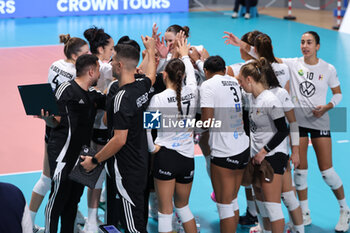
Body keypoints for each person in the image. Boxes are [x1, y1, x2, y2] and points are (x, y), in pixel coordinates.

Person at [80, 36, 156, 233]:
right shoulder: (142, 87)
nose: (110, 63)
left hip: (126, 168)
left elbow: (119, 139)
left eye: (113, 60)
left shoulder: (120, 98)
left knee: (132, 228)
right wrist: (151, 50)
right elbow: (151, 75)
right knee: (138, 220)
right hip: (141, 162)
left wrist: (94, 161)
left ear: (120, 65)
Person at [280, 31, 349, 232]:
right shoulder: (293, 64)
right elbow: (267, 55)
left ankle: (345, 209)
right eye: (302, 42)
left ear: (317, 46)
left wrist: (328, 106)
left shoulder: (328, 68)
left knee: (327, 172)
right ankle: (304, 212)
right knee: (300, 170)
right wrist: (241, 44)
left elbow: (338, 94)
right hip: (298, 123)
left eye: (309, 42)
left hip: (320, 122)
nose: (305, 45)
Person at [29, 34, 89, 232]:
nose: (88, 56)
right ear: (74, 55)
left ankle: (71, 214)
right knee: (55, 179)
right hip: (63, 129)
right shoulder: (74, 73)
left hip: (51, 124)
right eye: (85, 53)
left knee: (52, 177)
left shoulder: (55, 64)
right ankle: (31, 222)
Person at [43, 54, 105, 233]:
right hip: (63, 154)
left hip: (82, 157)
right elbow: (54, 121)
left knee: (73, 201)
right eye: (99, 70)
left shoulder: (93, 94)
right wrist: (47, 119)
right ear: (91, 71)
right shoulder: (66, 89)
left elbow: (112, 99)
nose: (100, 74)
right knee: (57, 201)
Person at [253, 33, 304, 233]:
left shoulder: (279, 94)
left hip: (277, 151)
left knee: (286, 194)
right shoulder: (257, 94)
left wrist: (296, 151)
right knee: (264, 194)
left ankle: (299, 230)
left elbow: (291, 122)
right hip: (264, 151)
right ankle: (266, 228)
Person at [146, 38, 198, 233]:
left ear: (164, 75)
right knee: (183, 207)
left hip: (165, 156)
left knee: (165, 211)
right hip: (187, 158)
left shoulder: (158, 98)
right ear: (182, 75)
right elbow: (192, 76)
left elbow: (147, 129)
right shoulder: (192, 91)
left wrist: (152, 149)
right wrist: (184, 54)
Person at [238, 58, 290, 233]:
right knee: (260, 200)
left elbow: (284, 130)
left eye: (241, 81)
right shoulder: (252, 98)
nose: (240, 84)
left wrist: (263, 151)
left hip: (272, 156)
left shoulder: (270, 100)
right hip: (257, 157)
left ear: (250, 80)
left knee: (272, 207)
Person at [200, 55, 250, 233]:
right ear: (223, 69)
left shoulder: (207, 85)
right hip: (242, 147)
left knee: (224, 205)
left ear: (206, 72)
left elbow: (207, 122)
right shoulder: (233, 81)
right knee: (233, 200)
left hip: (224, 151)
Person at [83, 26, 115, 232]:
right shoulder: (106, 68)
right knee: (98, 176)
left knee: (95, 177)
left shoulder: (87, 64)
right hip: (104, 129)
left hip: (89, 127)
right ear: (102, 49)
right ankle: (93, 221)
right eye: (111, 48)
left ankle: (91, 220)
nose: (113, 52)